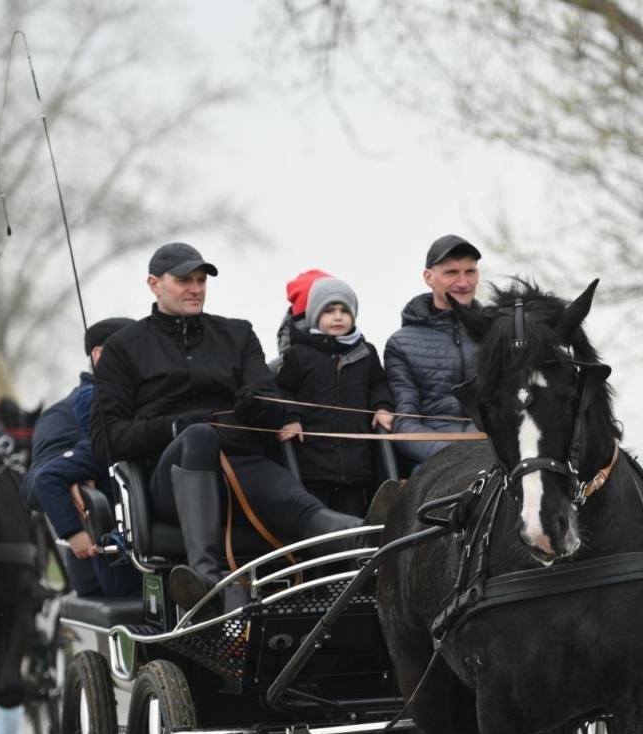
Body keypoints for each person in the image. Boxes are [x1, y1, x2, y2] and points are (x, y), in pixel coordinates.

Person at [89, 241, 368, 613]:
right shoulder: (124, 348)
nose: (196, 288)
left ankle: (363, 539)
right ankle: (204, 578)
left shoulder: (236, 335)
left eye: (201, 280)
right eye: (185, 280)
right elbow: (108, 440)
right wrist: (176, 426)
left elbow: (271, 402)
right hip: (170, 479)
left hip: (240, 462)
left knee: (299, 505)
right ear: (154, 284)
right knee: (198, 436)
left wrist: (258, 404)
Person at [22, 316, 141, 598]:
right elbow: (34, 483)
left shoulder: (148, 402)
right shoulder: (62, 415)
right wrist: (73, 481)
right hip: (106, 566)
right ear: (99, 355)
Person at [276, 278, 395, 517]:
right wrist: (292, 417)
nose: (338, 317)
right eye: (329, 311)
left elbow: (378, 384)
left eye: (344, 311)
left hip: (356, 463)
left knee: (353, 521)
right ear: (314, 315)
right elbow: (282, 390)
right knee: (317, 519)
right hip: (313, 462)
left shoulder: (366, 352)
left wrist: (382, 407)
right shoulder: (299, 355)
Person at [383, 234, 483, 467]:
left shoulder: (498, 334)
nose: (463, 282)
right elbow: (404, 422)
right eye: (451, 273)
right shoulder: (401, 344)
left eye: (470, 272)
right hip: (435, 462)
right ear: (428, 277)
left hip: (496, 452)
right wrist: (452, 455)